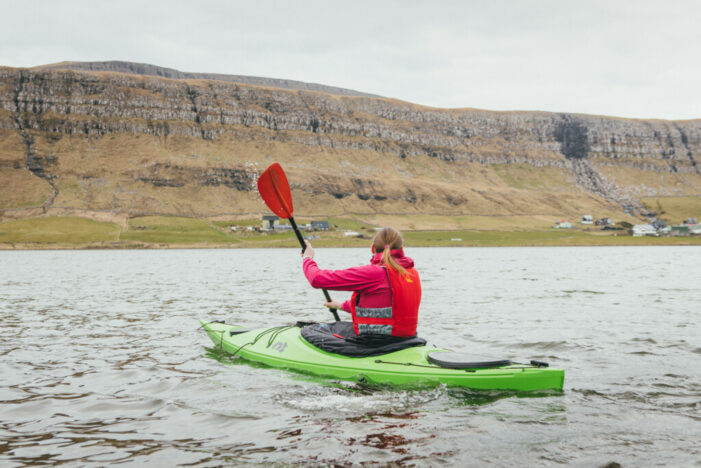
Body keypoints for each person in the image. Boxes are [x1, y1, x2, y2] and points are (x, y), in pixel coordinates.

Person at [301, 227, 421, 340]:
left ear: (373, 249)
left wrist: (307, 258)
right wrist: (340, 305)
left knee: (310, 330)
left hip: (377, 342)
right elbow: (382, 307)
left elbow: (317, 279)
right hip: (406, 339)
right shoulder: (412, 273)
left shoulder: (375, 273)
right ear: (401, 249)